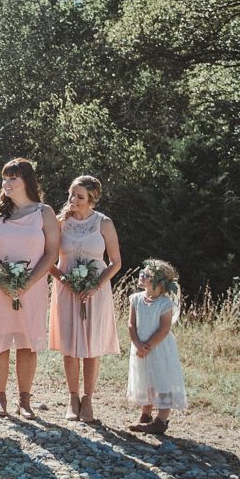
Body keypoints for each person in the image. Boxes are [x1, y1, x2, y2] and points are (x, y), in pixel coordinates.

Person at [0, 158, 60, 418]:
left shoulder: (44, 212)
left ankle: (25, 400)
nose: (7, 183)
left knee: (27, 343)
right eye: (5, 178)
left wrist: (28, 282)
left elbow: (52, 253)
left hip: (32, 288)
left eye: (13, 178)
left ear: (27, 181)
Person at [48, 175, 121, 423]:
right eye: (71, 194)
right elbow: (48, 260)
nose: (73, 199)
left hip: (95, 291)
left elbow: (116, 262)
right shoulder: (60, 223)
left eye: (80, 196)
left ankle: (88, 399)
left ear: (92, 199)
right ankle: (72, 397)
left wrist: (94, 286)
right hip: (66, 289)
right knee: (69, 345)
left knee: (91, 345)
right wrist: (65, 280)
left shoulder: (104, 223)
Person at [127, 259, 187, 435]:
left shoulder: (164, 304)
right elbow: (131, 324)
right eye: (142, 273)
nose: (141, 276)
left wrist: (148, 346)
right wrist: (137, 344)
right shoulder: (136, 299)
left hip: (159, 348)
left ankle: (161, 419)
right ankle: (145, 414)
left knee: (161, 379)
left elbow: (164, 328)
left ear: (159, 282)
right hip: (139, 346)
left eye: (146, 275)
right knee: (145, 378)